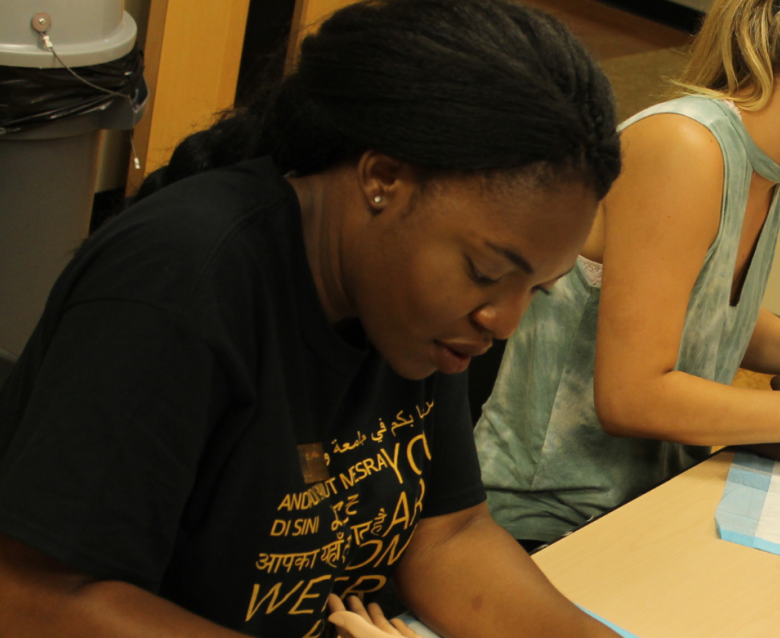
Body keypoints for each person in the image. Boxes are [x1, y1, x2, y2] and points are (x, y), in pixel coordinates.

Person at [0, 1, 623, 636]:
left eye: (537, 288)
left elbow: (447, 536)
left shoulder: (414, 309)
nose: (505, 320)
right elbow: (33, 599)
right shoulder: (177, 286)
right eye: (488, 272)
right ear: (384, 178)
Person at [475, 0, 780, 549]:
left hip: (647, 498)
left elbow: (705, 317)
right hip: (545, 521)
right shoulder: (685, 150)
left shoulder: (769, 168)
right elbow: (632, 396)